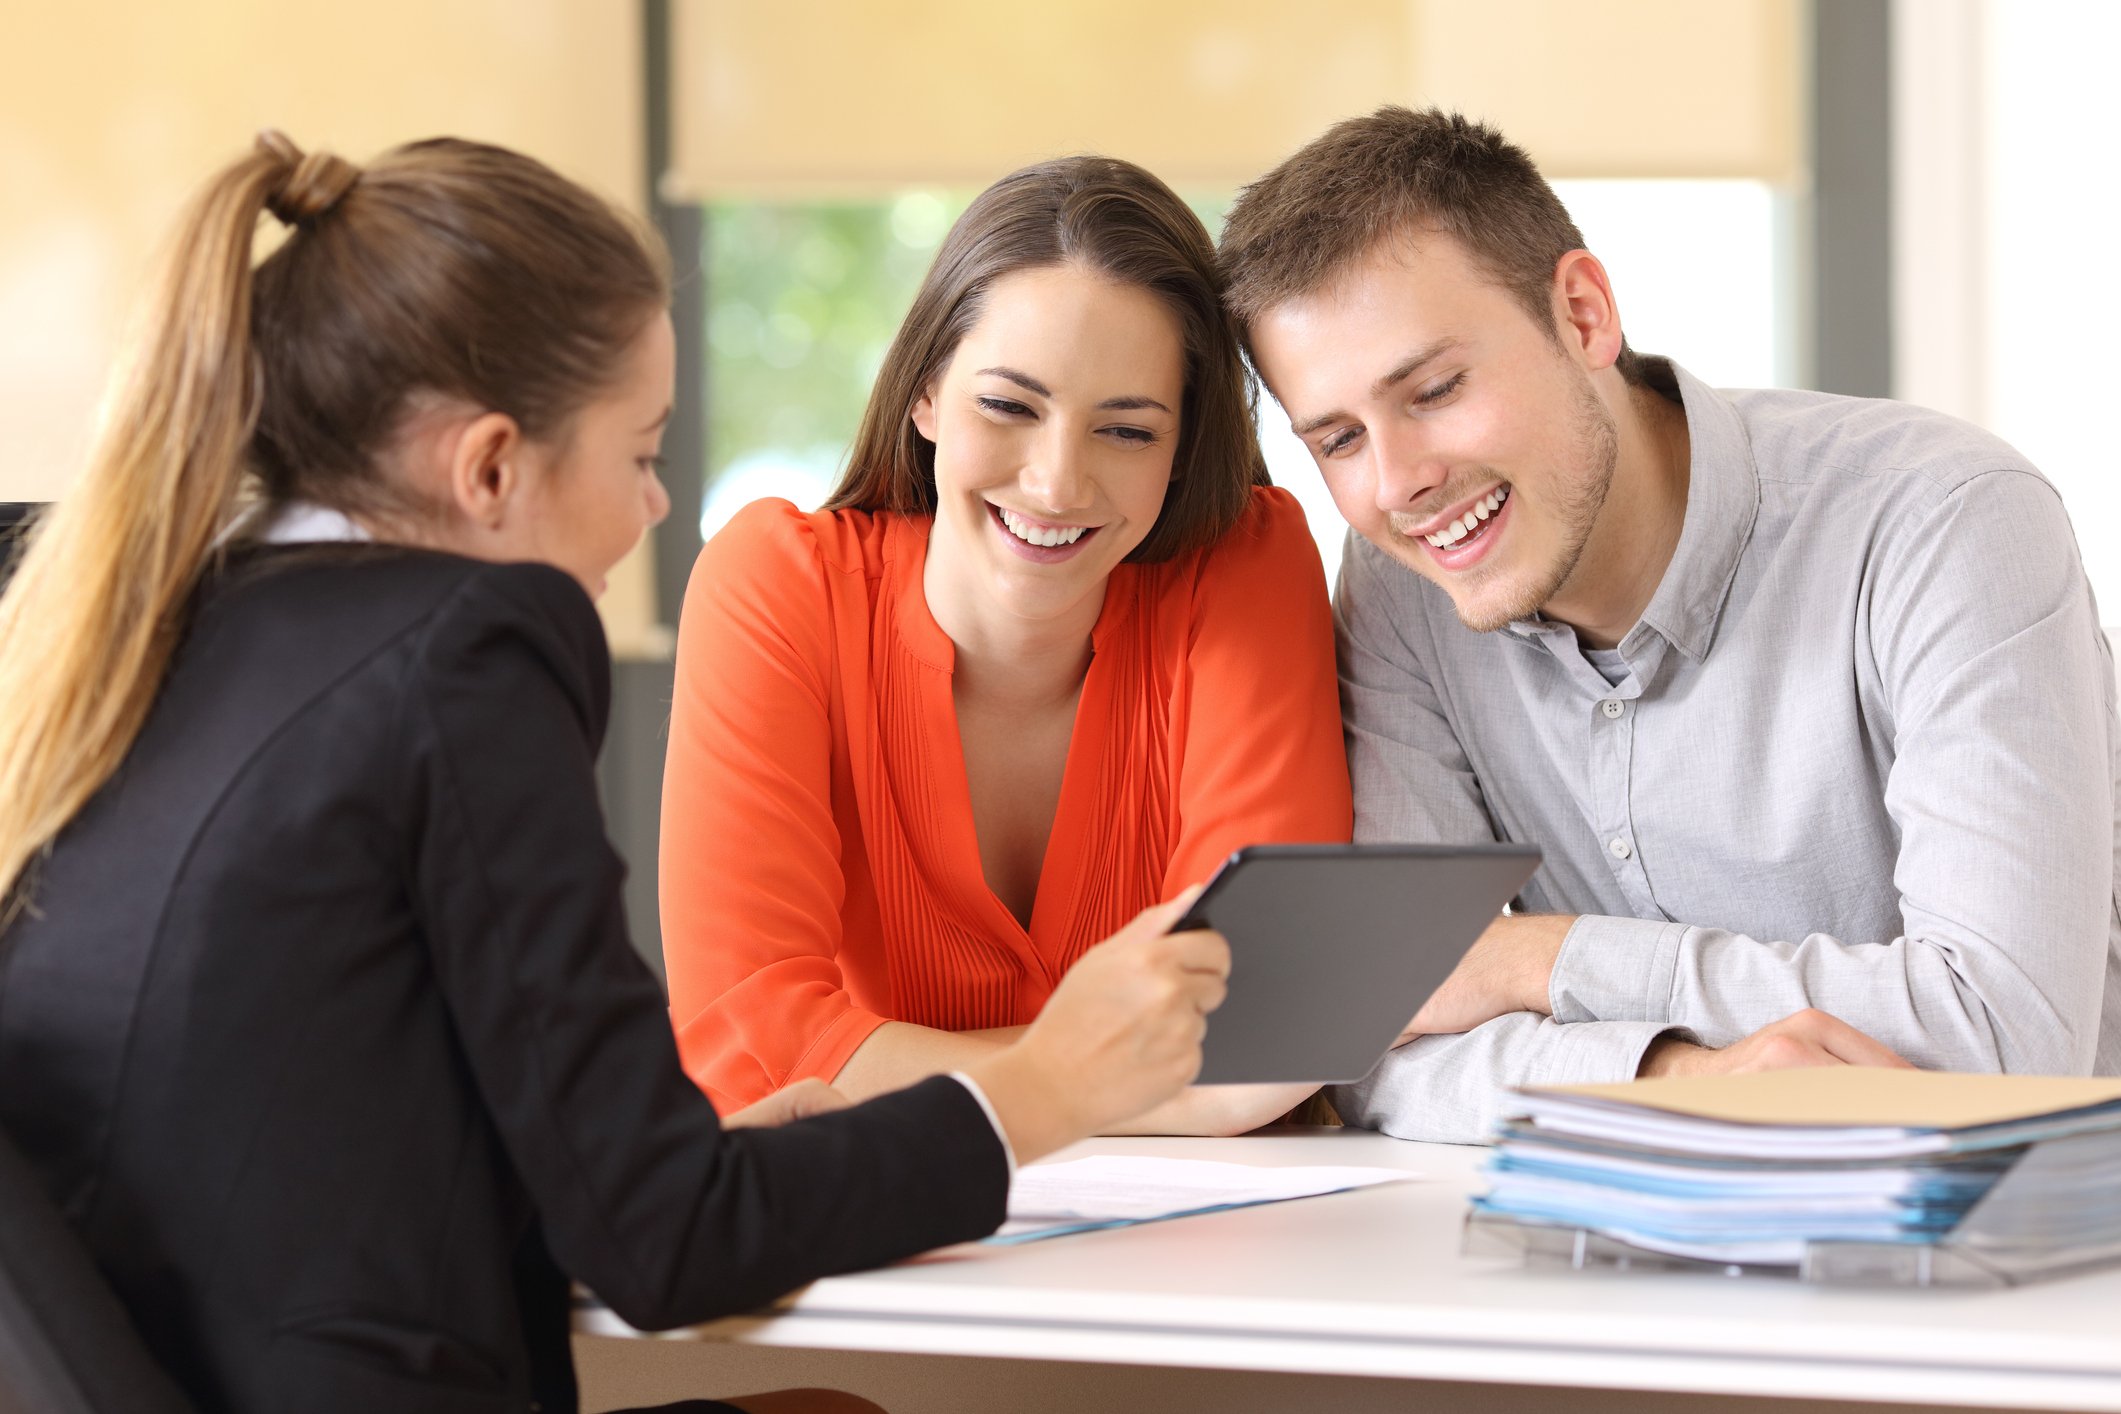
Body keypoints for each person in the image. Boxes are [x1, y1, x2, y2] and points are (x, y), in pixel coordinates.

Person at [0, 132, 1233, 1414]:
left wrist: (691, 1160)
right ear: (489, 470)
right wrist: (1042, 1088)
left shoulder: (165, 625)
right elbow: (665, 1246)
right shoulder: (457, 654)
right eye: (641, 454)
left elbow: (322, 1138)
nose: (654, 510)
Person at [1216, 106, 2121, 1143]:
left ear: (1584, 313)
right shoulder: (1400, 586)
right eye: (1336, 439)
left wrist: (1540, 961)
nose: (1398, 483)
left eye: (1433, 389)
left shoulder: (1944, 521)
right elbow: (1383, 1047)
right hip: (1642, 1264)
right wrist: (1683, 1075)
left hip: (2032, 1259)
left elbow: (2005, 1039)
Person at [659, 156, 1351, 1134]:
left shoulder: (1245, 564)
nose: (1057, 482)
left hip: (1207, 1246)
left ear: (1182, 450)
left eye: (1126, 430)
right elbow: (748, 1048)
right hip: (890, 1237)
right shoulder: (776, 586)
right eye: (1009, 406)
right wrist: (1120, 1081)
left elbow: (1273, 1021)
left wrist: (875, 1069)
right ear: (927, 393)